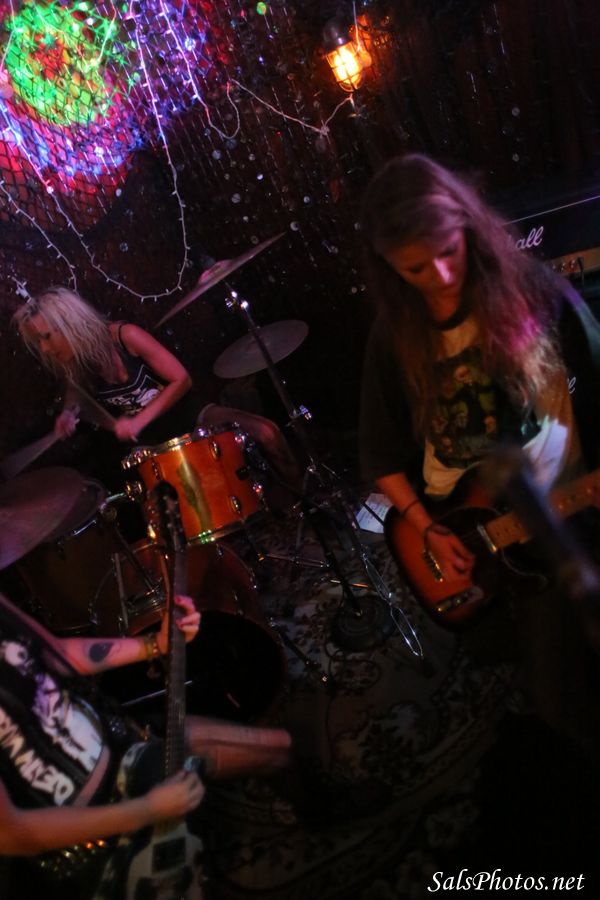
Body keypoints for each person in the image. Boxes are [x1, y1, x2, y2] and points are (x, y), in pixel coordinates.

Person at [358, 153, 600, 744]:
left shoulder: (537, 292)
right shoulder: (394, 335)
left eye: (449, 251)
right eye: (416, 267)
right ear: (389, 266)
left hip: (569, 506)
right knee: (555, 704)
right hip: (467, 522)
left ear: (467, 225)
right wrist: (428, 528)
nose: (440, 275)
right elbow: (380, 457)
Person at [0, 589, 291, 881]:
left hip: (121, 742)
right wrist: (148, 809)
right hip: (91, 836)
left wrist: (155, 644)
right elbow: (12, 834)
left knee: (279, 746)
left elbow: (56, 654)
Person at [11, 285, 299, 500]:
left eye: (47, 337)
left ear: (70, 325)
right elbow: (74, 391)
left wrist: (138, 421)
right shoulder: (74, 363)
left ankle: (302, 505)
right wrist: (68, 413)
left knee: (266, 432)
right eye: (39, 341)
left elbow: (182, 380)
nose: (45, 348)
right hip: (154, 445)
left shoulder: (126, 336)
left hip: (191, 417)